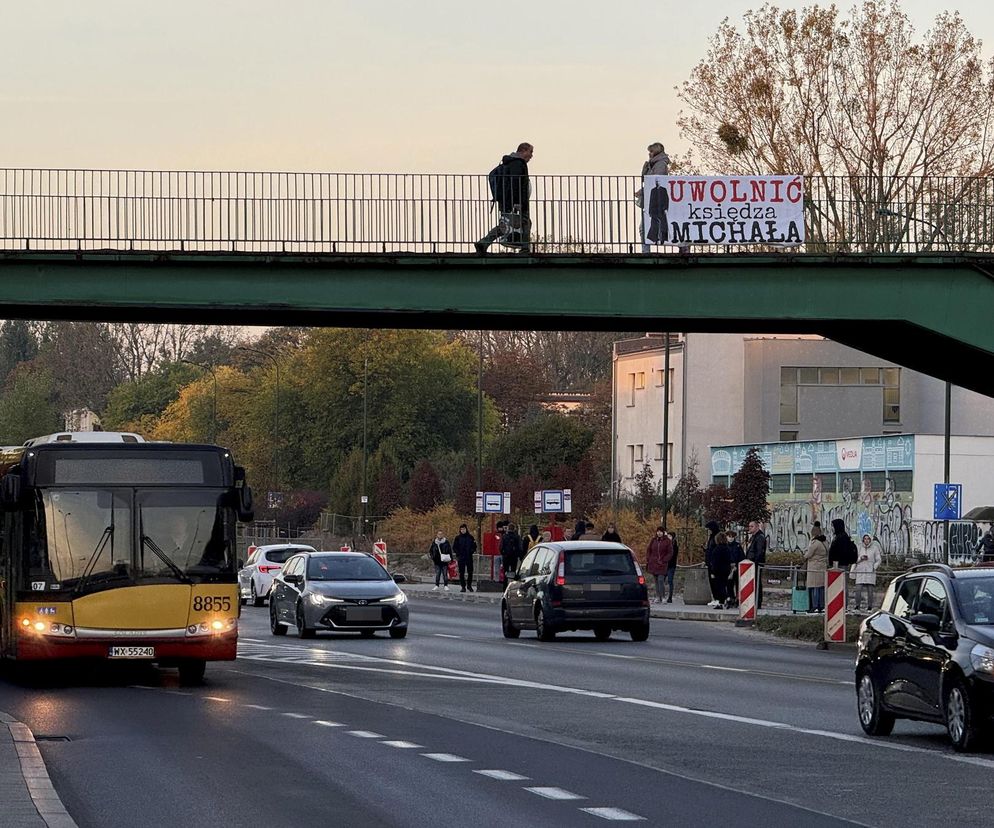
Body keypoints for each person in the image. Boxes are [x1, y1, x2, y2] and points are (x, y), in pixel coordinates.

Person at [476, 143, 533, 254]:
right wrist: (518, 202)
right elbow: (515, 183)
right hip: (516, 201)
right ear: (523, 150)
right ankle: (525, 249)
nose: (531, 155)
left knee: (506, 224)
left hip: (506, 200)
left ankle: (484, 242)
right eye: (530, 152)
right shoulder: (518, 163)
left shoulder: (509, 162)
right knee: (525, 222)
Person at [636, 142, 671, 252]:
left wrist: (642, 191)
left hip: (656, 203)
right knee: (647, 227)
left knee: (644, 228)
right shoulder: (653, 164)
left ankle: (646, 251)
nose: (649, 154)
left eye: (651, 151)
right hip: (654, 202)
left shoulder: (660, 164)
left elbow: (656, 180)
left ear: (656, 152)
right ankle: (647, 250)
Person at [852, 533, 882, 611]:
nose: (866, 540)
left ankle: (869, 606)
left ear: (870, 540)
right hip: (860, 570)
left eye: (868, 539)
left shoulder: (874, 548)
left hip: (870, 571)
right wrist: (860, 558)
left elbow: (878, 560)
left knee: (870, 590)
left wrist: (874, 567)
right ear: (863, 540)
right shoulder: (859, 547)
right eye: (865, 539)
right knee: (858, 589)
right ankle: (857, 605)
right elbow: (854, 559)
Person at [645, 526, 673, 603]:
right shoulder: (653, 540)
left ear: (663, 532)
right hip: (653, 563)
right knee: (656, 580)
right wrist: (649, 558)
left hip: (662, 564)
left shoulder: (667, 541)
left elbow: (670, 552)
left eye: (661, 531)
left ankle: (663, 596)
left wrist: (664, 560)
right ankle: (657, 596)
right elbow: (649, 549)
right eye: (658, 531)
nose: (659, 533)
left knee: (661, 580)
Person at [804, 526, 829, 614]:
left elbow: (808, 554)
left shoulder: (815, 543)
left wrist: (805, 553)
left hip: (814, 567)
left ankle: (814, 605)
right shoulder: (825, 542)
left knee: (814, 587)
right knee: (821, 587)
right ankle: (821, 606)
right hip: (822, 566)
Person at [745, 520, 768, 610]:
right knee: (753, 583)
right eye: (749, 526)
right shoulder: (754, 537)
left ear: (757, 527)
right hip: (751, 564)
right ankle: (753, 601)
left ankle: (757, 602)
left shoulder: (760, 537)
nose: (750, 528)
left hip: (755, 564)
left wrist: (755, 562)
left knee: (757, 583)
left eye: (752, 526)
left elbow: (759, 552)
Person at [708, 527, 732, 609]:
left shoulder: (717, 549)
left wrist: (712, 572)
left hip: (718, 570)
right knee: (724, 585)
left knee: (719, 587)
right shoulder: (727, 549)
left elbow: (715, 562)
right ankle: (721, 603)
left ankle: (727, 598)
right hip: (726, 570)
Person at [703, 521, 724, 608]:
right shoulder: (711, 537)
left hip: (714, 563)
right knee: (712, 581)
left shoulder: (716, 536)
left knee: (716, 581)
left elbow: (715, 550)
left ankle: (719, 599)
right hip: (710, 562)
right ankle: (715, 598)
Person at [452, 523, 477, 593]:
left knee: (470, 572)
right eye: (461, 529)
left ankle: (469, 585)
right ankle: (463, 586)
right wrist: (458, 554)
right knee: (461, 572)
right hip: (461, 558)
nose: (463, 530)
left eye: (464, 529)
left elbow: (474, 546)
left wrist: (471, 551)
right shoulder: (458, 538)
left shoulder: (470, 537)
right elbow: (454, 547)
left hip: (469, 557)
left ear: (466, 529)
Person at [725, 531, 744, 608]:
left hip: (737, 567)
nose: (730, 538)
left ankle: (738, 599)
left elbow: (742, 557)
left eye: (732, 536)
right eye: (729, 536)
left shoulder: (738, 546)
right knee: (729, 584)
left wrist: (737, 565)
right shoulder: (725, 546)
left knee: (738, 584)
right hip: (728, 568)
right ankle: (731, 599)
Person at [665, 531, 679, 603]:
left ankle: (670, 597)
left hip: (671, 566)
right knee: (661, 580)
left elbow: (672, 556)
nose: (668, 538)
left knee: (670, 581)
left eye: (670, 536)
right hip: (664, 565)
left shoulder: (674, 545)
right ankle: (661, 596)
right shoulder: (665, 544)